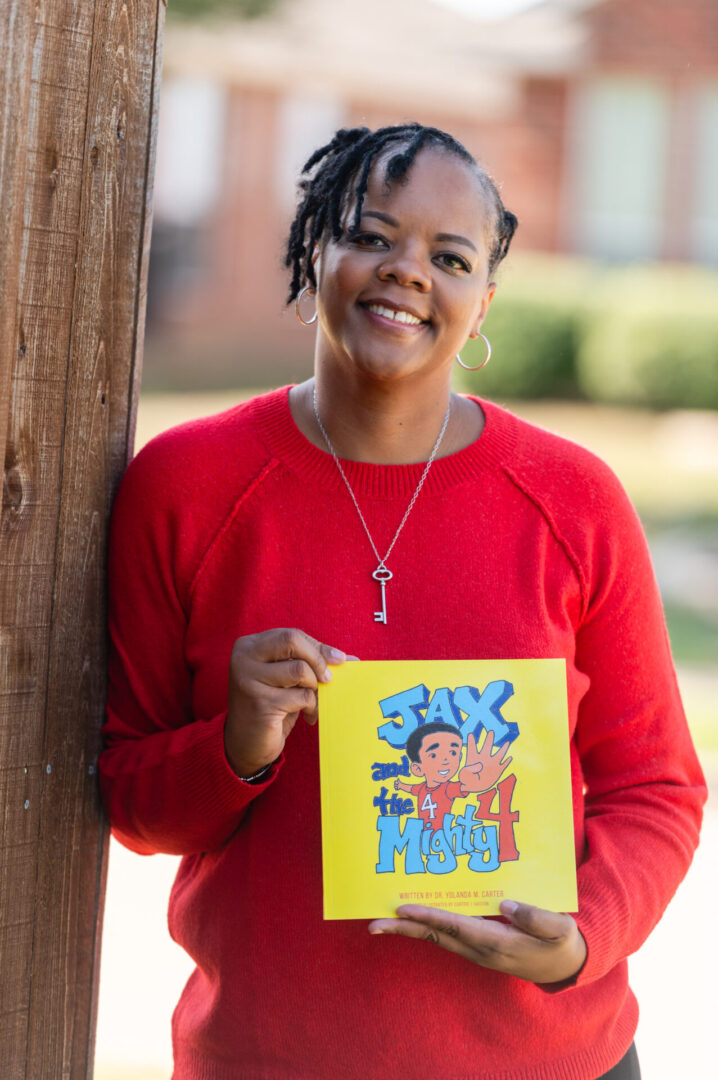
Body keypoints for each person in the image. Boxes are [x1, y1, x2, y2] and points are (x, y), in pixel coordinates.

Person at [100, 123, 706, 1080]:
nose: (408, 272)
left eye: (450, 256)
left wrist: (583, 939)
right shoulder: (183, 487)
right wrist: (235, 744)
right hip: (270, 1057)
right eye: (372, 236)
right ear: (315, 255)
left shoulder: (575, 499)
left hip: (551, 1059)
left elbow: (657, 787)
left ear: (484, 301)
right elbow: (132, 803)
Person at [395, 723, 513, 831]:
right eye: (434, 755)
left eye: (453, 753)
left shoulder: (447, 789)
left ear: (460, 757)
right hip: (423, 836)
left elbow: (464, 787)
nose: (446, 760)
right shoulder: (421, 788)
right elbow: (411, 789)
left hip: (441, 837)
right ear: (418, 769)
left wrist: (478, 783)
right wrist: (400, 785)